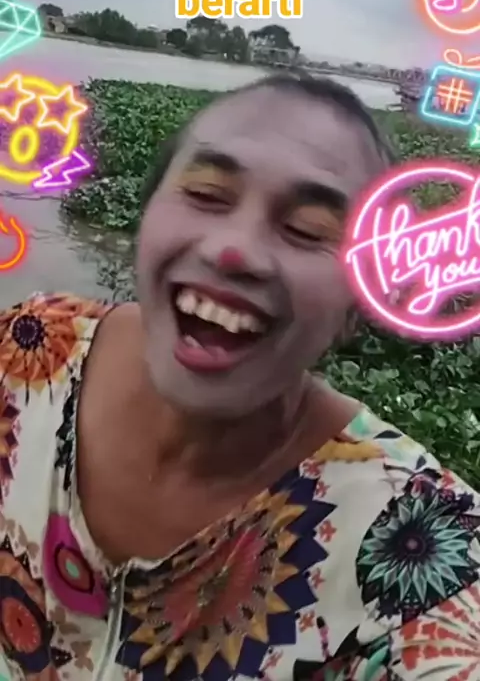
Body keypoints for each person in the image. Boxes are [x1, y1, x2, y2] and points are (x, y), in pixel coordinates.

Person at [0, 72, 478, 681]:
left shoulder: (430, 557)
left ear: (359, 307)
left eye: (309, 230)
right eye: (206, 192)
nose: (235, 250)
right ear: (147, 216)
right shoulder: (29, 350)